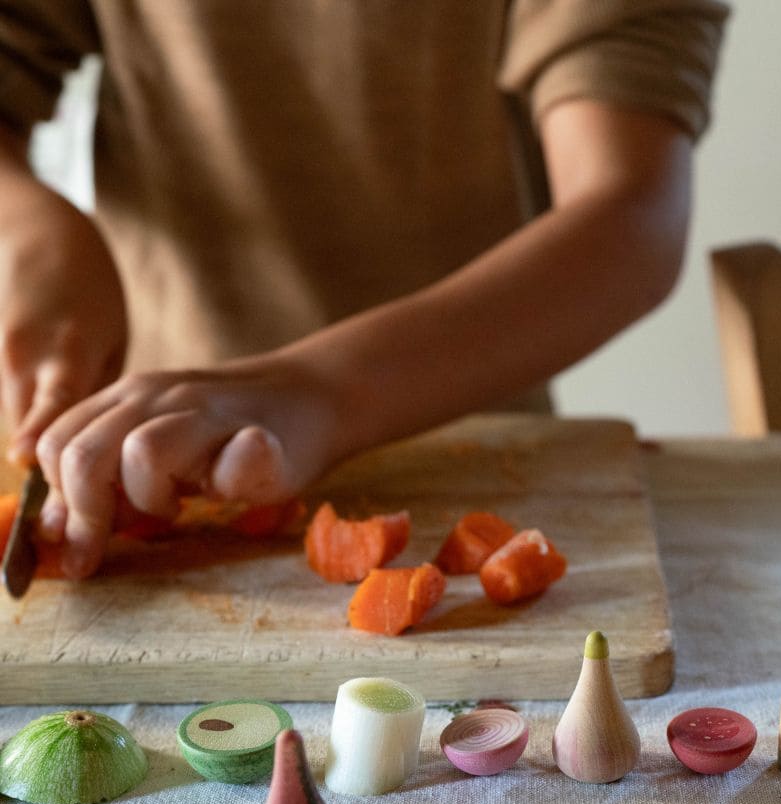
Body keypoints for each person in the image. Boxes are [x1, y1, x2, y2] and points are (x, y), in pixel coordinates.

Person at [0, 1, 728, 579]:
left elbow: (630, 213)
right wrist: (34, 232)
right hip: (139, 457)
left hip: (468, 451)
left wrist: (317, 388)